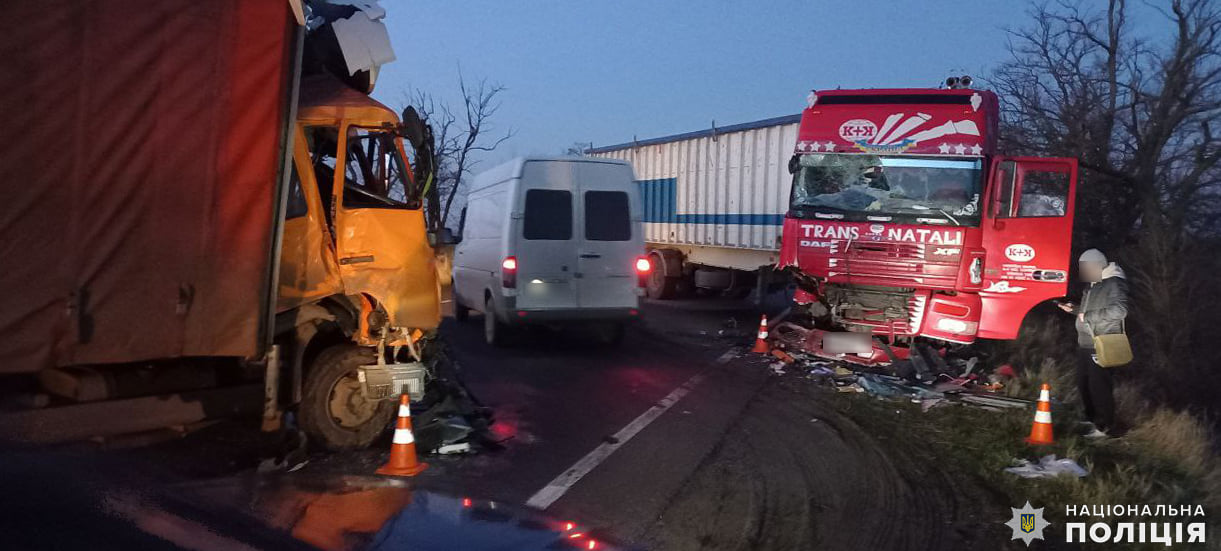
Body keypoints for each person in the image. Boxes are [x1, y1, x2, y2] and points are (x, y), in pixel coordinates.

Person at [1057, 248, 1128, 438]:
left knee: (1100, 386)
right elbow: (1086, 312)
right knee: (1084, 383)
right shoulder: (1093, 285)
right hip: (1085, 342)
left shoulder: (1114, 283)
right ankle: (1090, 419)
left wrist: (1087, 315)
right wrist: (1074, 309)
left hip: (1101, 341)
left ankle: (1104, 427)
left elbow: (1119, 310)